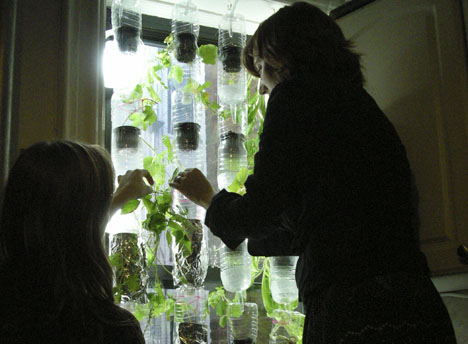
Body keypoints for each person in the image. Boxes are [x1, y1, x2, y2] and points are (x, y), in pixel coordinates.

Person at [170, 2, 456, 343]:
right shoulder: (364, 107)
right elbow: (320, 218)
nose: (261, 86)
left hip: (355, 309)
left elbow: (262, 210)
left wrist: (208, 198)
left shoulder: (293, 97)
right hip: (418, 303)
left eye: (261, 67)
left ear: (284, 59)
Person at [0, 140, 153, 343]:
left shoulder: (13, 303)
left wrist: (121, 195)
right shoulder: (109, 329)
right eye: (106, 197)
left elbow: (64, 224)